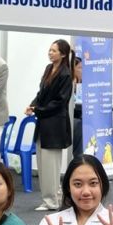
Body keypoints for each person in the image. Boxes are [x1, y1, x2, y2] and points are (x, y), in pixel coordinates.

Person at [26, 39, 74, 211]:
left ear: (63, 54)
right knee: (43, 163)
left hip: (55, 126)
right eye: (50, 50)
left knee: (51, 166)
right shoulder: (48, 69)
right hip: (44, 123)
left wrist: (38, 110)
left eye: (54, 50)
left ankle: (51, 201)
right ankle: (52, 197)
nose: (50, 53)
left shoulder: (66, 74)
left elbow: (60, 102)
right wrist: (33, 105)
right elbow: (41, 93)